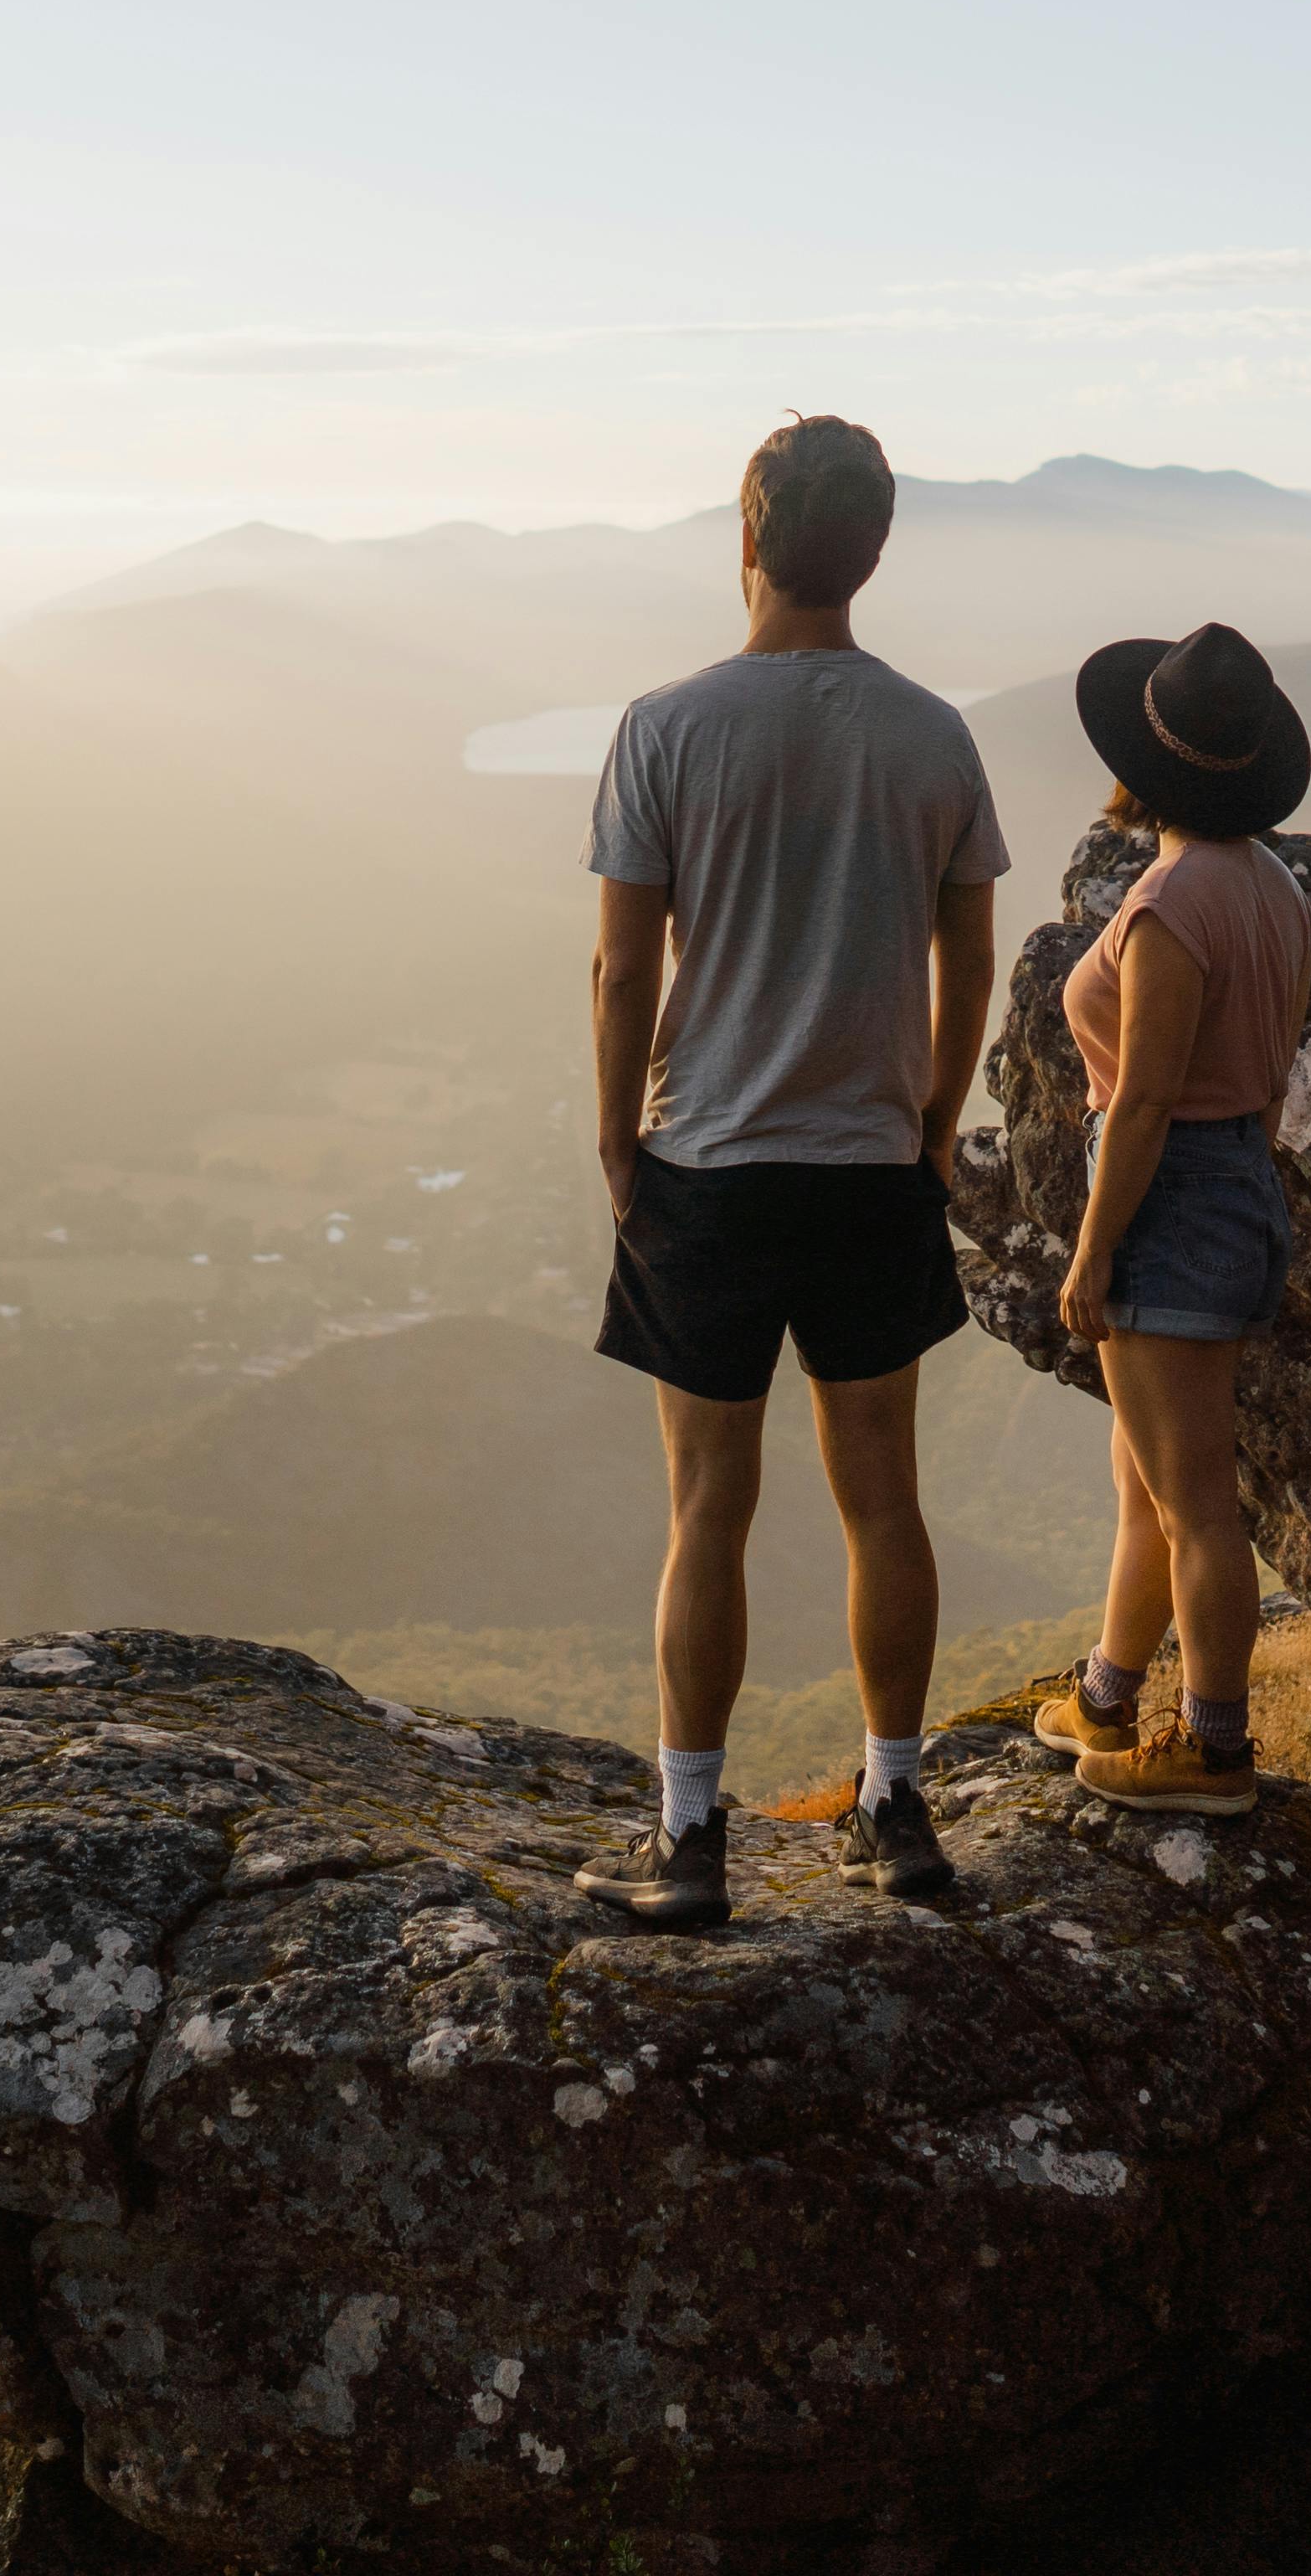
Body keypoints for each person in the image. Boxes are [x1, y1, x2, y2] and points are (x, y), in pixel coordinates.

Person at [571, 416, 1010, 1929]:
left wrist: (620, 1136)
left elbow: (624, 973)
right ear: (875, 552)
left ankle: (691, 1838)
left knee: (709, 1508)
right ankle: (897, 1802)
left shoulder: (664, 727)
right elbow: (970, 956)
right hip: (869, 1165)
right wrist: (936, 1118)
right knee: (883, 1499)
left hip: (708, 1164)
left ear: (744, 535)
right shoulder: (935, 736)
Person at [1026, 622, 1311, 1819]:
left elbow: (1143, 1097)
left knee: (1196, 1502)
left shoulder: (1167, 907)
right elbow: (1272, 1066)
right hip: (1239, 1179)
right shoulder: (1272, 889)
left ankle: (1212, 1750)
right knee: (1151, 1482)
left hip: (1171, 1198)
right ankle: (1104, 1699)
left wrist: (1094, 1250)